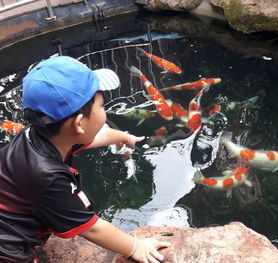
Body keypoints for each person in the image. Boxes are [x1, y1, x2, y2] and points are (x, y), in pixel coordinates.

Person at [0, 56, 171, 263]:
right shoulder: (49, 177)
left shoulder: (42, 135)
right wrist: (135, 246)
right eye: (101, 106)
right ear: (79, 124)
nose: (104, 111)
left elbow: (97, 136)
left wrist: (125, 138)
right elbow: (92, 228)